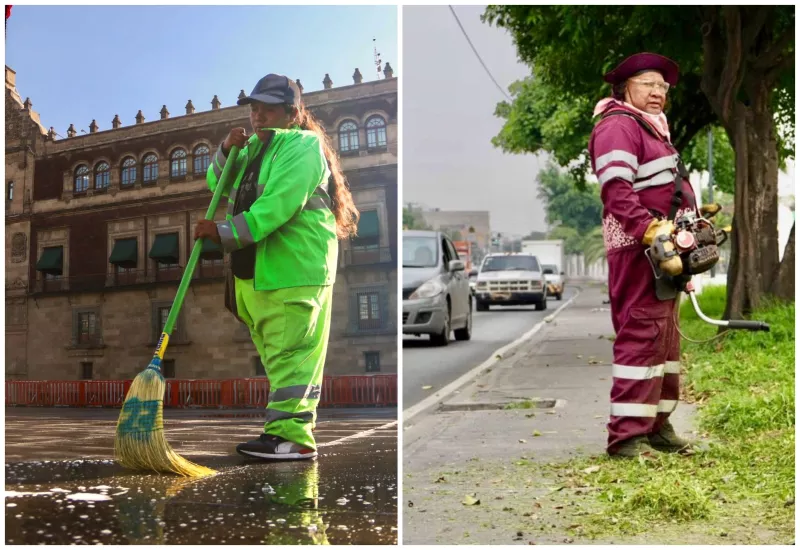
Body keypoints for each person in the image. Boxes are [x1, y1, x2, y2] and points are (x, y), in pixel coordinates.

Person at [194, 73, 359, 460]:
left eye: (267, 108)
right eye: (254, 108)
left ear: (292, 112)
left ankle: (293, 439)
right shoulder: (253, 149)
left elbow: (278, 205)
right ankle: (281, 434)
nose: (257, 115)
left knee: (292, 355)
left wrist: (220, 233)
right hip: (258, 273)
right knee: (278, 357)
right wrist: (225, 149)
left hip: (293, 269)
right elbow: (213, 182)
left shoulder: (303, 146)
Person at [588, 53, 715, 458]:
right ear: (626, 88)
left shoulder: (651, 129)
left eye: (662, 86)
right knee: (642, 338)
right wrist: (649, 229)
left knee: (666, 344)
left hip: (664, 252)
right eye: (648, 84)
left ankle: (656, 426)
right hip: (640, 249)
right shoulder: (618, 126)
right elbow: (617, 193)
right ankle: (626, 437)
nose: (658, 92)